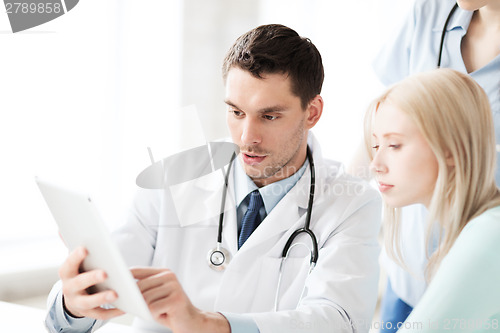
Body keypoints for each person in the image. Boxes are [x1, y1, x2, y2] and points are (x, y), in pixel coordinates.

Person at [45, 24, 382, 333]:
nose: (247, 136)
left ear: (312, 112)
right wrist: (74, 303)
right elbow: (106, 284)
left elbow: (339, 320)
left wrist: (209, 324)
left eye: (269, 116)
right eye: (236, 112)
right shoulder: (173, 178)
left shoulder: (350, 202)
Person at [359, 0, 500, 330]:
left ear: (453, 147)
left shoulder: (486, 240)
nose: (375, 164)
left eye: (393, 146)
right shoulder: (431, 12)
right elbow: (391, 117)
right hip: (410, 274)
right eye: (378, 146)